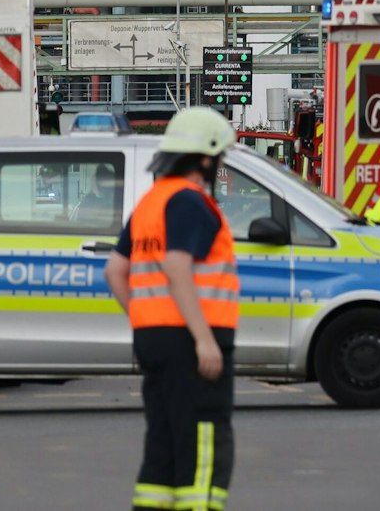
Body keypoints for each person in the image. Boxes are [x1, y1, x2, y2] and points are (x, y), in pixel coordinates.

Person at [106, 107, 241, 511]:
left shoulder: (151, 203)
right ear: (205, 158)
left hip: (154, 340)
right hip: (190, 342)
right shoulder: (189, 202)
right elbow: (177, 265)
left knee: (163, 441)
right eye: (219, 157)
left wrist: (144, 318)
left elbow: (115, 271)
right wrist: (203, 339)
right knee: (202, 440)